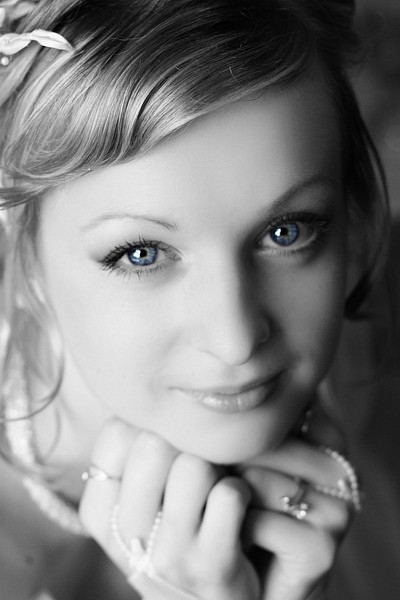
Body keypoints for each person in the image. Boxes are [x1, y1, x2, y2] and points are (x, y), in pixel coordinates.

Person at [0, 0, 388, 599]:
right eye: (141, 254)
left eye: (287, 232)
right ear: (24, 256)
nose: (237, 342)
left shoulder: (372, 360)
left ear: (351, 219)